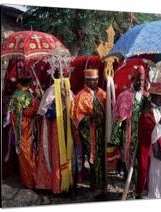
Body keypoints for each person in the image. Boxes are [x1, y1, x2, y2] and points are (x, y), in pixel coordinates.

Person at [35, 69, 75, 193]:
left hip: (59, 126)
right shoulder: (61, 89)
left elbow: (41, 110)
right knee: (60, 152)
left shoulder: (56, 90)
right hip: (60, 126)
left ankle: (60, 183)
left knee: (59, 151)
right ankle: (61, 183)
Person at [71, 69, 107, 199]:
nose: (95, 82)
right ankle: (95, 185)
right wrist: (90, 117)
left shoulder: (102, 93)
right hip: (90, 133)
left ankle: (103, 185)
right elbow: (77, 118)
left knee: (102, 158)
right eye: (92, 80)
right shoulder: (80, 96)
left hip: (102, 133)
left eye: (97, 79)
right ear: (86, 81)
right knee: (93, 158)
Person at [110, 65, 147, 185]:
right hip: (128, 135)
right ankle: (129, 183)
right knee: (129, 161)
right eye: (138, 80)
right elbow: (118, 119)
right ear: (132, 80)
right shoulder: (124, 96)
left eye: (142, 80)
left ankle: (139, 186)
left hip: (142, 134)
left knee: (141, 161)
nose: (140, 83)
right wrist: (116, 140)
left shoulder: (146, 97)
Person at [7, 77, 39, 189]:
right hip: (26, 126)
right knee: (29, 152)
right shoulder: (26, 94)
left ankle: (28, 180)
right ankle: (32, 179)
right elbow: (29, 112)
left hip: (20, 126)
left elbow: (11, 112)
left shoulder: (17, 94)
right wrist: (36, 102)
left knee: (24, 152)